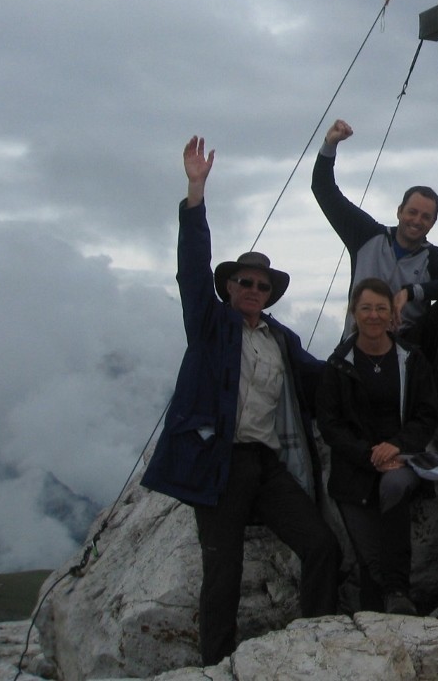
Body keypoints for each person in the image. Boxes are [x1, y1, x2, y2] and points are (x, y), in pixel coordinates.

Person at [143, 137, 339, 666]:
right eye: (243, 281)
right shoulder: (211, 326)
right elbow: (190, 268)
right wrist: (195, 193)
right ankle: (216, 664)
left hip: (266, 464)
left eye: (261, 284)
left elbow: (321, 379)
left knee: (320, 546)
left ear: (271, 294)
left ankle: (315, 643)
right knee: (222, 570)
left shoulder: (280, 339)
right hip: (219, 462)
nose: (253, 289)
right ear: (228, 287)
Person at [316, 278, 438, 616]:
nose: (373, 315)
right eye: (366, 308)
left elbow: (426, 415)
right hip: (354, 468)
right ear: (354, 313)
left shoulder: (411, 359)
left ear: (392, 315)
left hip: (401, 460)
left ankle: (398, 592)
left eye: (381, 308)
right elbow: (331, 425)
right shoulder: (338, 364)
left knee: (394, 484)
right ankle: (381, 613)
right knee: (369, 557)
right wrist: (370, 455)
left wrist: (396, 446)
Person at [311, 117, 438, 342]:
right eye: (412, 212)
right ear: (399, 211)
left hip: (404, 351)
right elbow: (324, 189)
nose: (416, 221)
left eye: (425, 217)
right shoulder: (367, 235)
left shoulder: (431, 257)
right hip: (356, 346)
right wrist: (330, 144)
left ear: (433, 223)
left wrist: (411, 292)